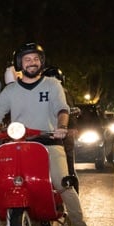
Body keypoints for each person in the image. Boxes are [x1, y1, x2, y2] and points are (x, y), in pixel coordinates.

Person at [0, 42, 95, 226]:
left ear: (41, 62)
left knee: (63, 183)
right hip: (19, 144)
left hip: (49, 142)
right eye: (27, 59)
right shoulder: (10, 90)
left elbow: (62, 109)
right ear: (19, 64)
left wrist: (61, 127)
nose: (32, 63)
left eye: (35, 59)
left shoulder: (52, 85)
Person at [43, 65, 79, 193]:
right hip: (43, 134)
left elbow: (69, 111)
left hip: (63, 134)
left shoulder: (64, 92)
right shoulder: (38, 94)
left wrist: (71, 127)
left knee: (68, 169)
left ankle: (72, 196)